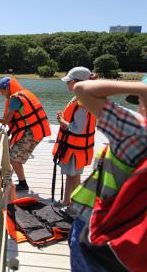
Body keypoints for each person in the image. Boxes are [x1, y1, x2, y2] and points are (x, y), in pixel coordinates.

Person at [68, 71, 147, 271]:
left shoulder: (135, 131)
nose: (138, 107)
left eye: (140, 101)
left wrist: (141, 88)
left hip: (99, 227)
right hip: (142, 240)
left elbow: (82, 90)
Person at [0, 77, 51, 190]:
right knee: (13, 155)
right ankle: (11, 178)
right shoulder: (22, 94)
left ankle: (23, 184)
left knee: (14, 159)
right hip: (33, 130)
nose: (2, 94)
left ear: (8, 88)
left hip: (32, 132)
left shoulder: (15, 99)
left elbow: (6, 120)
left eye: (2, 91)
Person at [52, 67, 98, 207]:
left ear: (78, 83)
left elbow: (77, 129)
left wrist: (62, 122)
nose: (67, 84)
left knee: (75, 177)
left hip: (75, 149)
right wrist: (64, 117)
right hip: (71, 147)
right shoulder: (78, 98)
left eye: (69, 81)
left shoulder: (83, 104)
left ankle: (76, 206)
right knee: (69, 175)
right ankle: (66, 201)